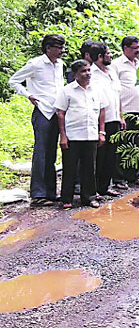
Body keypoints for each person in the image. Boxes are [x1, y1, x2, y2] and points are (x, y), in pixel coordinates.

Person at [9, 34, 66, 206]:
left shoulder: (60, 65)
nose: (62, 51)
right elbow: (14, 81)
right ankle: (38, 194)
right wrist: (29, 95)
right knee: (41, 152)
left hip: (57, 111)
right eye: (59, 47)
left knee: (51, 153)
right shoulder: (35, 64)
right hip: (42, 111)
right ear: (48, 48)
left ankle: (50, 192)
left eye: (63, 47)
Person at [55, 60, 106, 209]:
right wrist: (63, 136)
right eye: (83, 71)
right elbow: (61, 113)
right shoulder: (67, 91)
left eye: (89, 70)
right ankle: (66, 199)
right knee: (70, 168)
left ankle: (89, 197)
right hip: (73, 136)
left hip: (90, 135)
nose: (87, 74)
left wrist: (101, 131)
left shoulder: (96, 90)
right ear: (75, 74)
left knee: (90, 168)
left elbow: (102, 110)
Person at [112, 36, 139, 182]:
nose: (138, 51)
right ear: (125, 48)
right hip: (127, 110)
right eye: (135, 48)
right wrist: (120, 114)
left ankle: (134, 173)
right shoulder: (116, 65)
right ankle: (121, 176)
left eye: (138, 48)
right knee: (126, 145)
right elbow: (115, 90)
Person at [89, 43, 126, 197]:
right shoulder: (91, 74)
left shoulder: (111, 71)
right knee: (99, 156)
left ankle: (105, 186)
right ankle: (94, 188)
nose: (111, 55)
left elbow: (117, 95)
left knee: (111, 155)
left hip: (114, 118)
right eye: (108, 53)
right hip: (100, 121)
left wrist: (121, 115)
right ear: (99, 57)